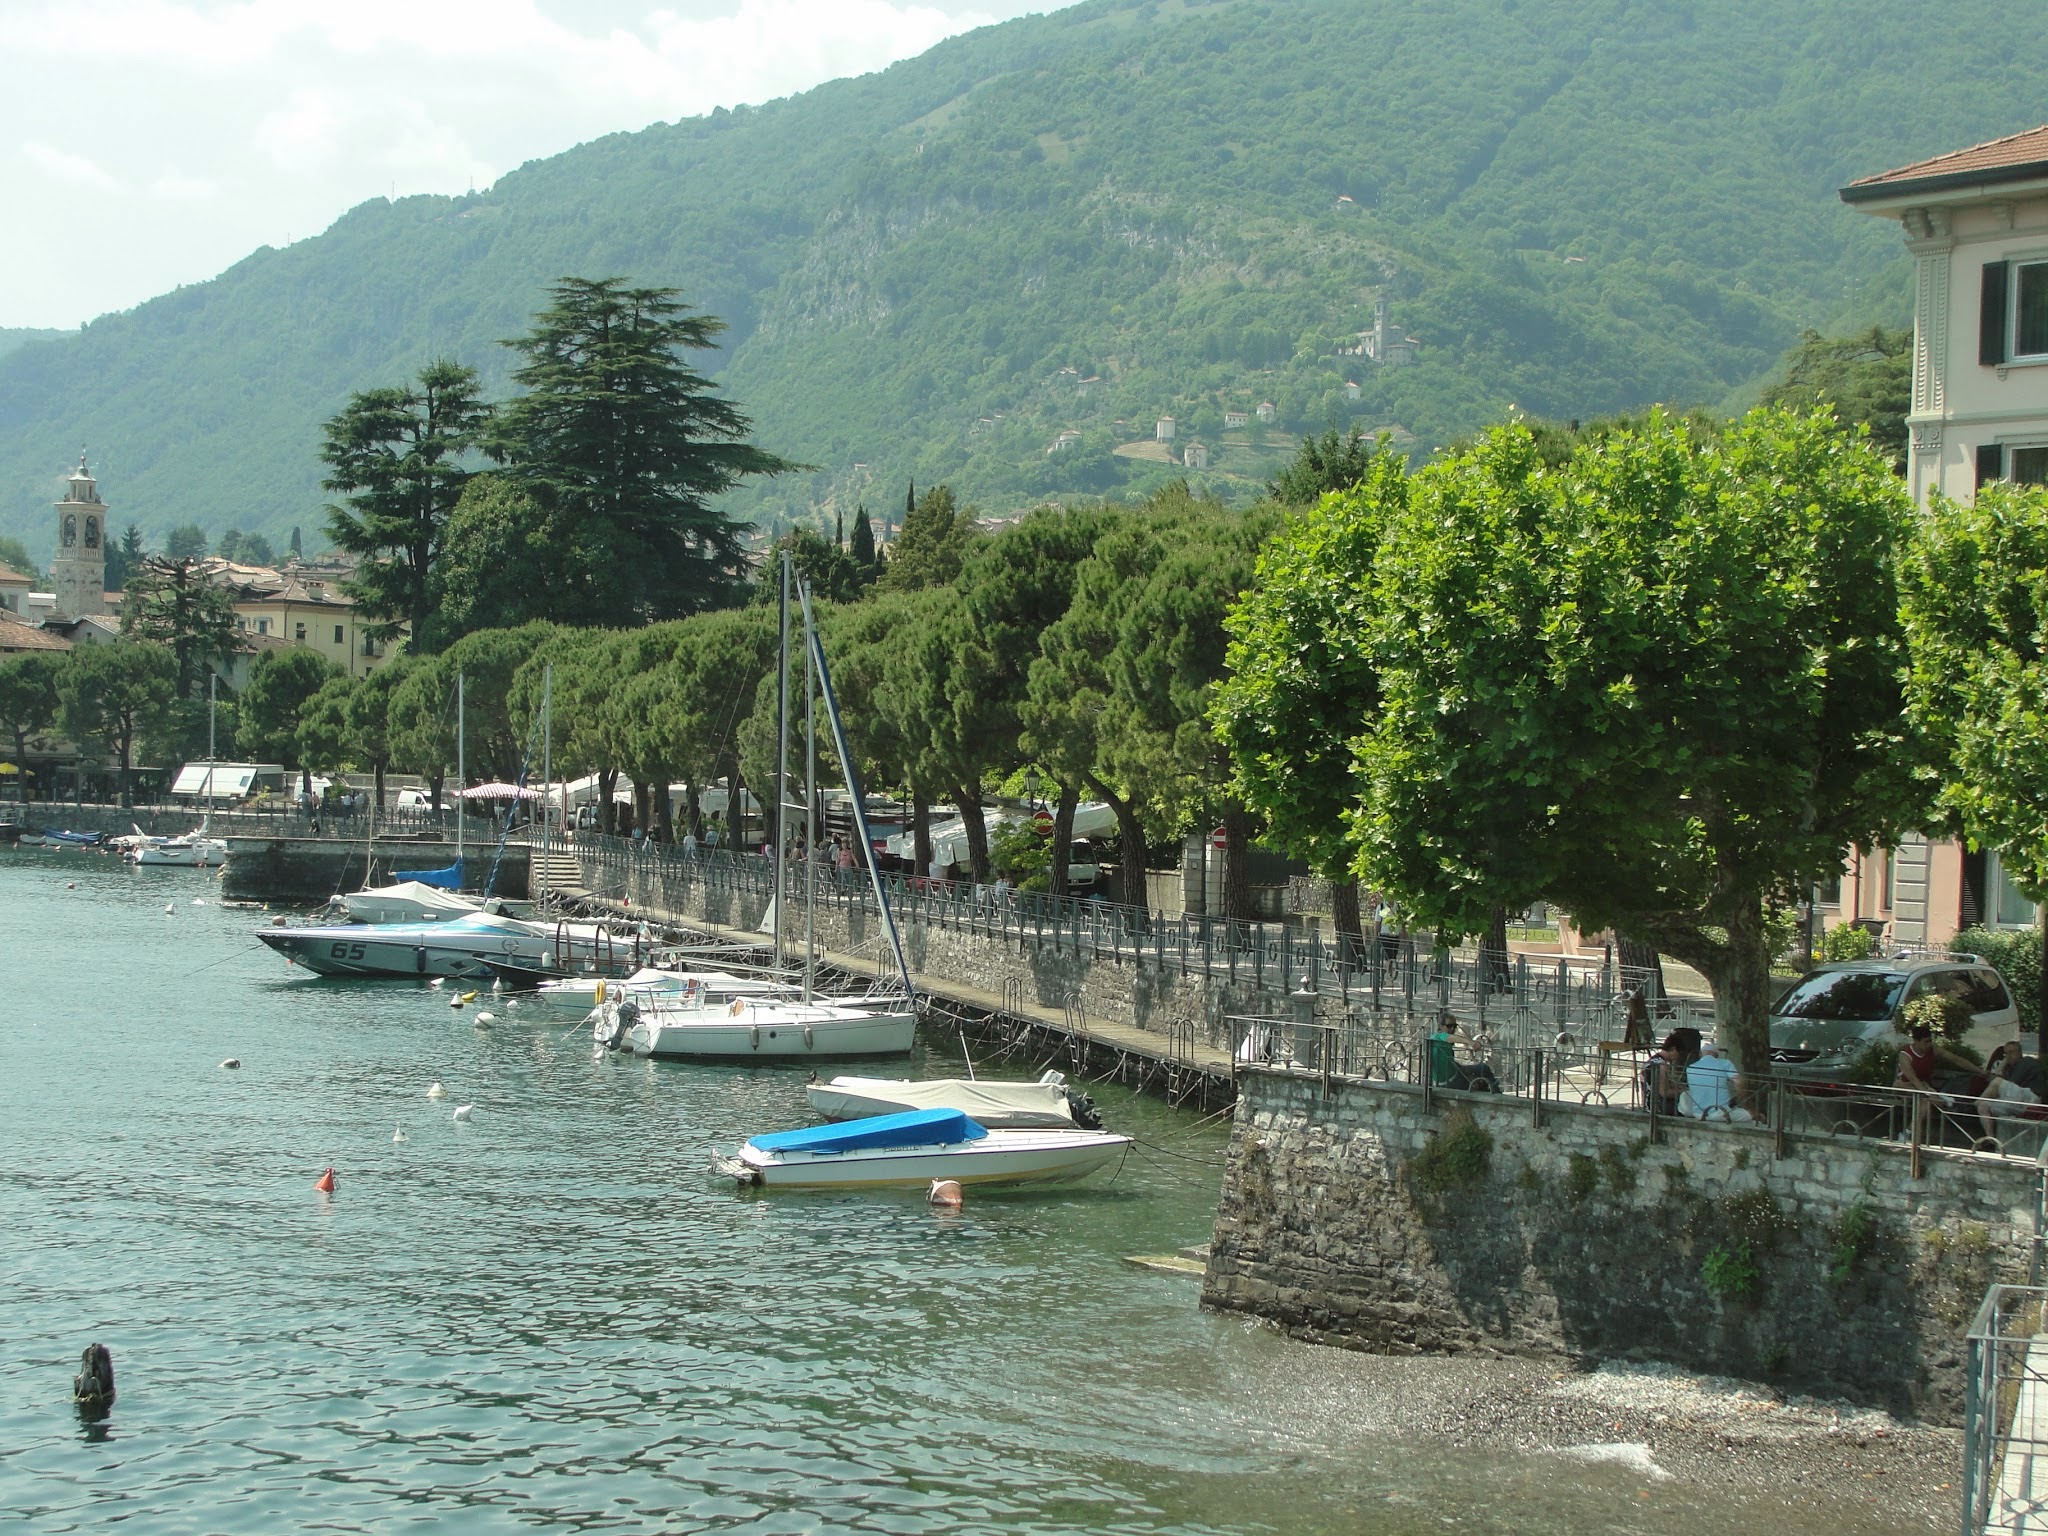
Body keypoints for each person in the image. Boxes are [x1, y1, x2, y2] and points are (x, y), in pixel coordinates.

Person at [1976, 1042, 2044, 1147]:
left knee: (1997, 1082)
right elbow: (1992, 1082)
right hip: (2016, 1101)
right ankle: (1992, 1141)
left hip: (2031, 1098)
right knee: (1983, 1106)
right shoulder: (2010, 1068)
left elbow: (2000, 1082)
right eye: (2006, 1054)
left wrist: (2002, 1065)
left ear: (2019, 1052)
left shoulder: (2026, 1062)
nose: (2008, 1056)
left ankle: (1973, 1104)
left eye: (2011, 1052)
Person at [1679, 1040, 1750, 1121]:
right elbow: (1739, 1082)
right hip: (1722, 1113)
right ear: (1716, 1055)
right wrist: (1741, 1097)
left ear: (1701, 1054)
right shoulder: (1725, 1063)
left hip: (1698, 1113)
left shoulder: (1690, 1068)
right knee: (1755, 1115)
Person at [1428, 1011, 1499, 1092]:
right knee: (1482, 1073)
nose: (1452, 1029)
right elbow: (1450, 1037)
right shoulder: (1438, 1037)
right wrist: (1471, 1042)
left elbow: (1445, 1060)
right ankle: (1497, 1095)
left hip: (1450, 1076)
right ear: (1440, 1026)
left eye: (1454, 1026)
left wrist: (1460, 1067)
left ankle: (1492, 1093)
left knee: (1481, 1071)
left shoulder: (1437, 1040)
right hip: (1451, 1082)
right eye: (1449, 1026)